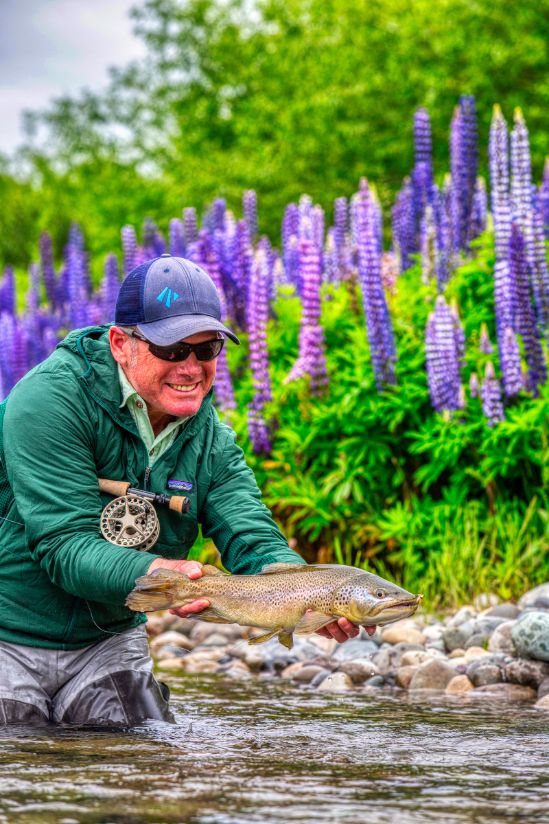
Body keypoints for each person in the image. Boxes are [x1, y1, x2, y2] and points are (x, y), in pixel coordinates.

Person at [0, 254, 368, 727]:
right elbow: (64, 547)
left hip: (106, 642)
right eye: (173, 350)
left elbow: (249, 532)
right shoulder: (49, 401)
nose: (191, 368)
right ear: (120, 343)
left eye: (207, 348)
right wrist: (164, 572)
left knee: (143, 761)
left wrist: (307, 595)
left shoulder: (208, 434)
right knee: (19, 759)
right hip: (8, 630)